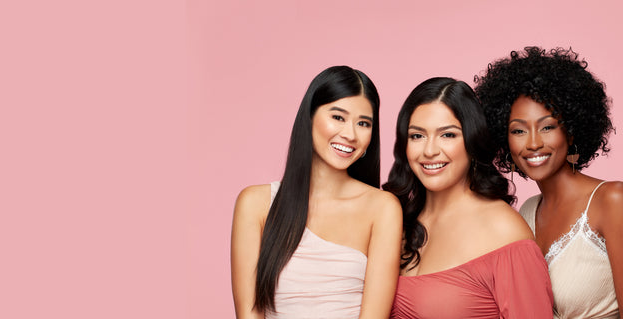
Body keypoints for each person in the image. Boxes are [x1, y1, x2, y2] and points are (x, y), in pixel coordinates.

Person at [474, 46, 623, 318]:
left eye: (547, 127)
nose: (533, 143)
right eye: (518, 131)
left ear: (570, 132)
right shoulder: (527, 212)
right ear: (504, 140)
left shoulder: (612, 200)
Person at [231, 66, 402, 319]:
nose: (350, 134)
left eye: (363, 123)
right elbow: (249, 313)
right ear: (309, 117)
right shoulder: (255, 204)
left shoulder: (383, 208)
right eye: (338, 117)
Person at [383, 77, 553, 318]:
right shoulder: (398, 221)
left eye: (448, 135)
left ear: (472, 142)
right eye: (417, 136)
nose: (430, 151)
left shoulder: (504, 231)